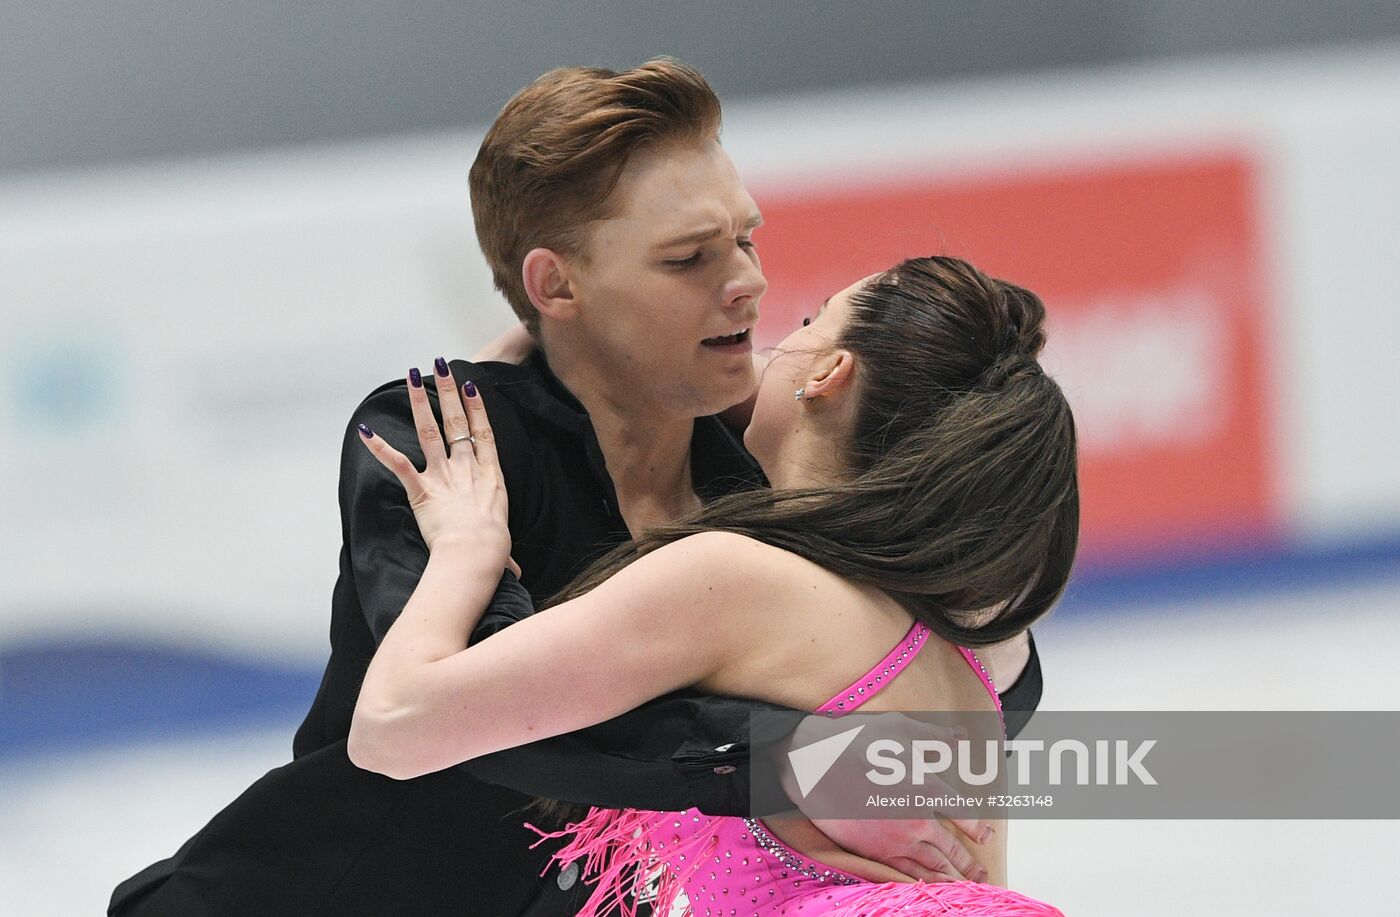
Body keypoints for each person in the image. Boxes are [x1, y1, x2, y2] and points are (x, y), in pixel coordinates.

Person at [109, 60, 1042, 917]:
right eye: (689, 259)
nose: (750, 286)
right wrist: (785, 761)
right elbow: (501, 721)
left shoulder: (764, 456)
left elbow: (950, 655)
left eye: (747, 239)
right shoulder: (446, 443)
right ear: (557, 285)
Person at [349, 254, 1076, 914]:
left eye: (805, 322)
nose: (767, 345)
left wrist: (468, 552)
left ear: (827, 376)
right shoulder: (972, 633)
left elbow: (391, 725)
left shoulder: (737, 581)